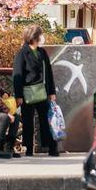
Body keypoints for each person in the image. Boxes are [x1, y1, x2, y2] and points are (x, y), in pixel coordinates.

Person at [13, 24, 59, 157]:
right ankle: (28, 148)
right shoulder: (22, 53)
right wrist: (19, 95)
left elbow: (48, 73)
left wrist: (52, 92)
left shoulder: (42, 52)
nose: (42, 37)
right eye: (40, 35)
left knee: (46, 119)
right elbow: (18, 75)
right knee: (28, 121)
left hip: (42, 91)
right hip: (28, 92)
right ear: (34, 37)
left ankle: (50, 146)